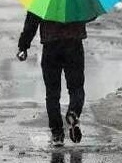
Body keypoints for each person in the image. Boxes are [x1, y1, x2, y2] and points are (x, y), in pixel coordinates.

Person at [17, 12, 88, 148]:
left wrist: (23, 46)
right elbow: (89, 14)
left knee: (52, 94)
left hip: (51, 46)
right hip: (74, 44)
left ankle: (57, 134)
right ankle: (73, 112)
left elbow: (31, 21)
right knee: (76, 88)